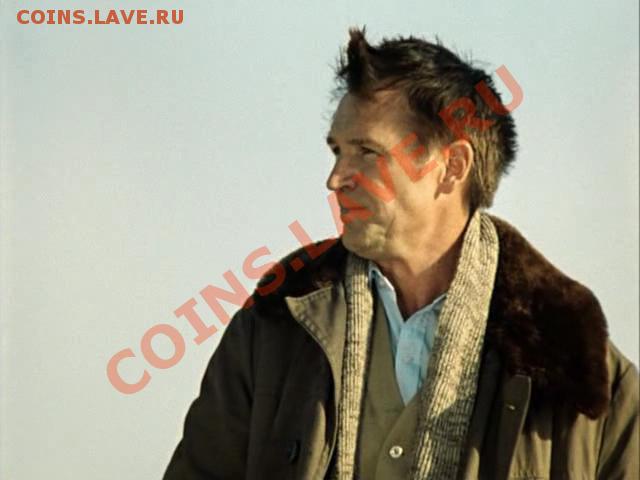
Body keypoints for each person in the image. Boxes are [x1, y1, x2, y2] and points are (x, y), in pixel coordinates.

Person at [163, 27, 639, 479]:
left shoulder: (583, 373)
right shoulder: (272, 329)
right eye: (337, 151)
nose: (336, 178)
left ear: (452, 167)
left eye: (367, 152)